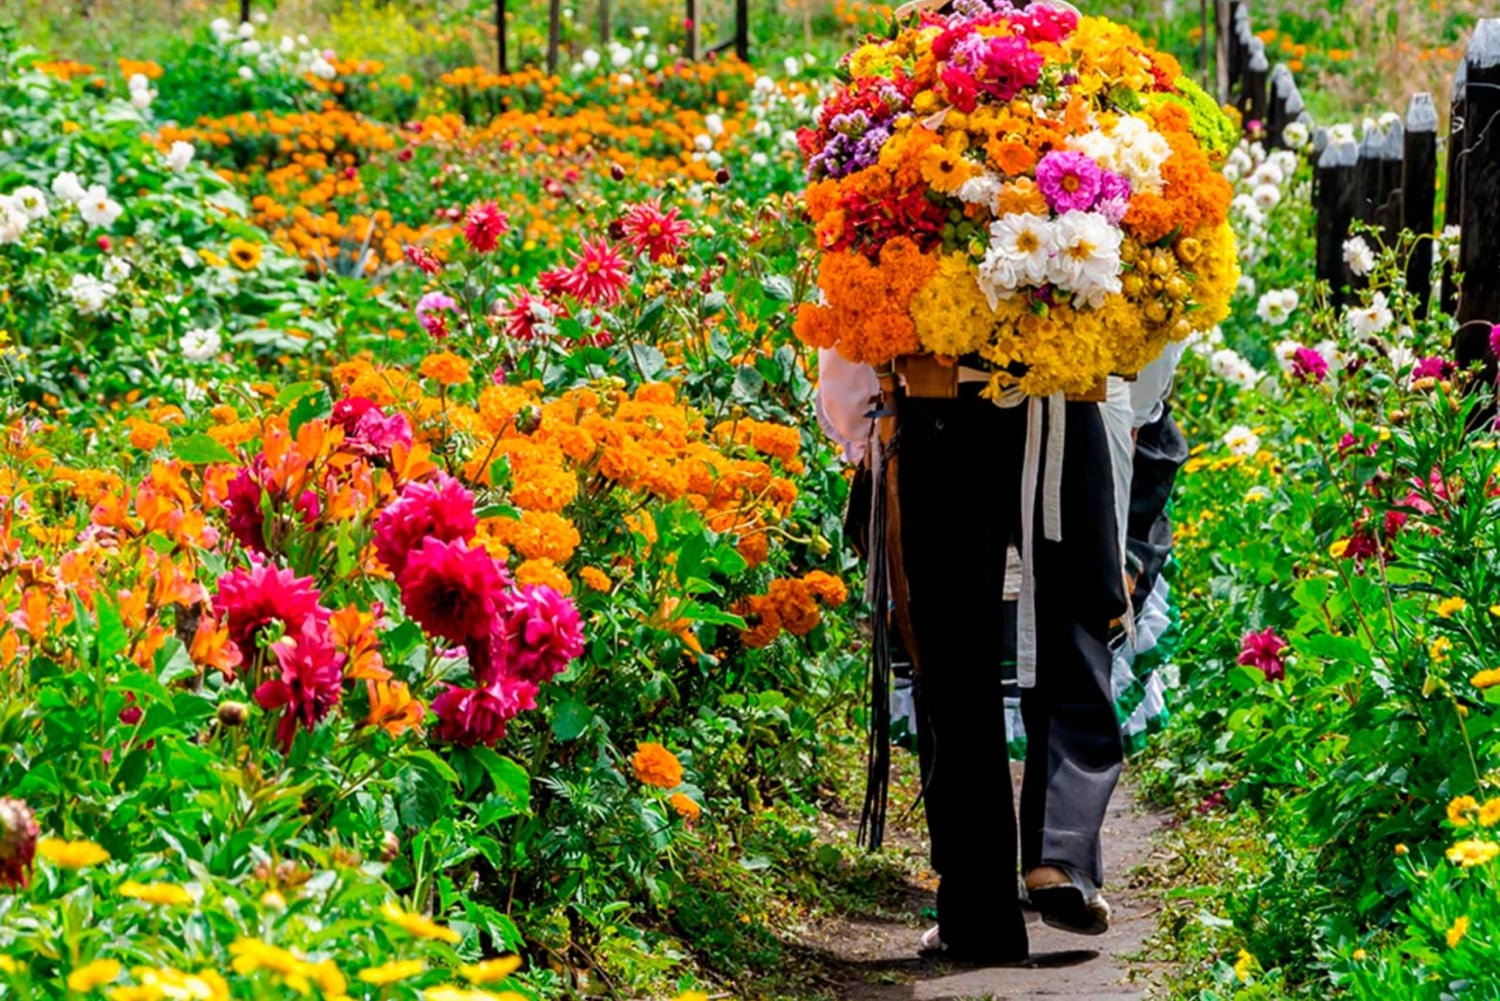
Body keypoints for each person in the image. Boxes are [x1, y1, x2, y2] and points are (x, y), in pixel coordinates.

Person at [819, 350, 1130, 964]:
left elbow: (855, 319)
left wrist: (860, 423)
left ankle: (980, 908)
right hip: (1067, 396)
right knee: (1073, 629)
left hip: (942, 412)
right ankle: (1059, 854)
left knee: (954, 658)